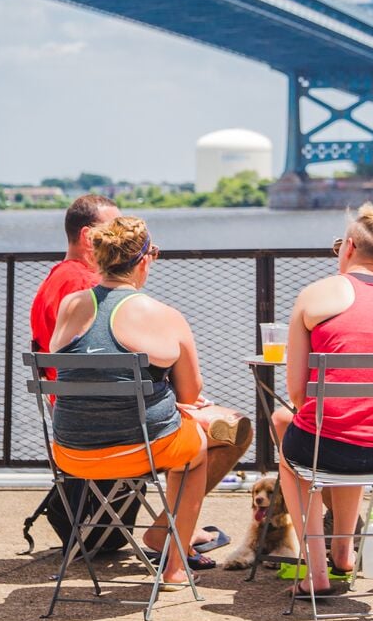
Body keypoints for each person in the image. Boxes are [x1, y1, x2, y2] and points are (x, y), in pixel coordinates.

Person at [49, 215, 251, 583]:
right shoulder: (164, 315)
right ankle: (173, 564)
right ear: (144, 260)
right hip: (138, 448)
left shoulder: (70, 306)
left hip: (70, 452)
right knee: (208, 442)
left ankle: (167, 537)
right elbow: (190, 394)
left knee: (186, 432)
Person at [278, 203, 373, 598]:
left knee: (294, 452)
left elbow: (296, 392)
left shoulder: (314, 295)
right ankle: (344, 552)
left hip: (335, 446)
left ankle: (317, 570)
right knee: (350, 424)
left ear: (350, 247)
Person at [30, 194, 120, 379]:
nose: (121, 240)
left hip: (64, 399)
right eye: (113, 232)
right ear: (88, 236)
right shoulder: (86, 285)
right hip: (88, 400)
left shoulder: (52, 281)